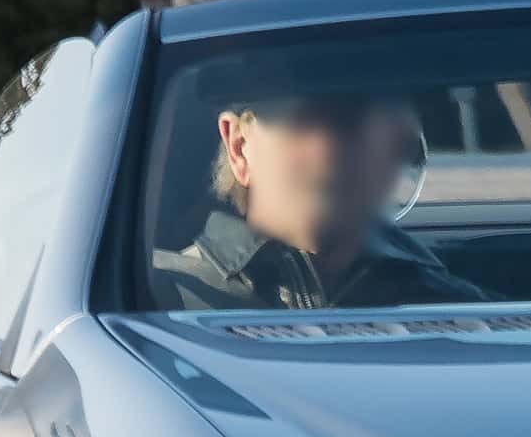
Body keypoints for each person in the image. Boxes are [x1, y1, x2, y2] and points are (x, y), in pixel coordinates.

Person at [150, 87, 492, 310]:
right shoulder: (159, 299)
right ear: (239, 145)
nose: (352, 147)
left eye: (377, 123)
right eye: (313, 120)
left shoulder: (451, 304)